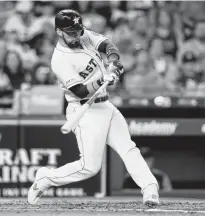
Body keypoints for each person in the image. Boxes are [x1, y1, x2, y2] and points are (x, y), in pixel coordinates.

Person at [27, 9, 159, 206]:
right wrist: (101, 81)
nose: (76, 35)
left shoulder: (83, 35)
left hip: (105, 105)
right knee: (89, 167)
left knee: (128, 148)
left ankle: (150, 190)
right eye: (71, 32)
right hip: (84, 111)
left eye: (77, 30)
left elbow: (107, 45)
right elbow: (80, 91)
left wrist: (113, 63)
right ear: (58, 32)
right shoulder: (60, 59)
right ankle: (46, 179)